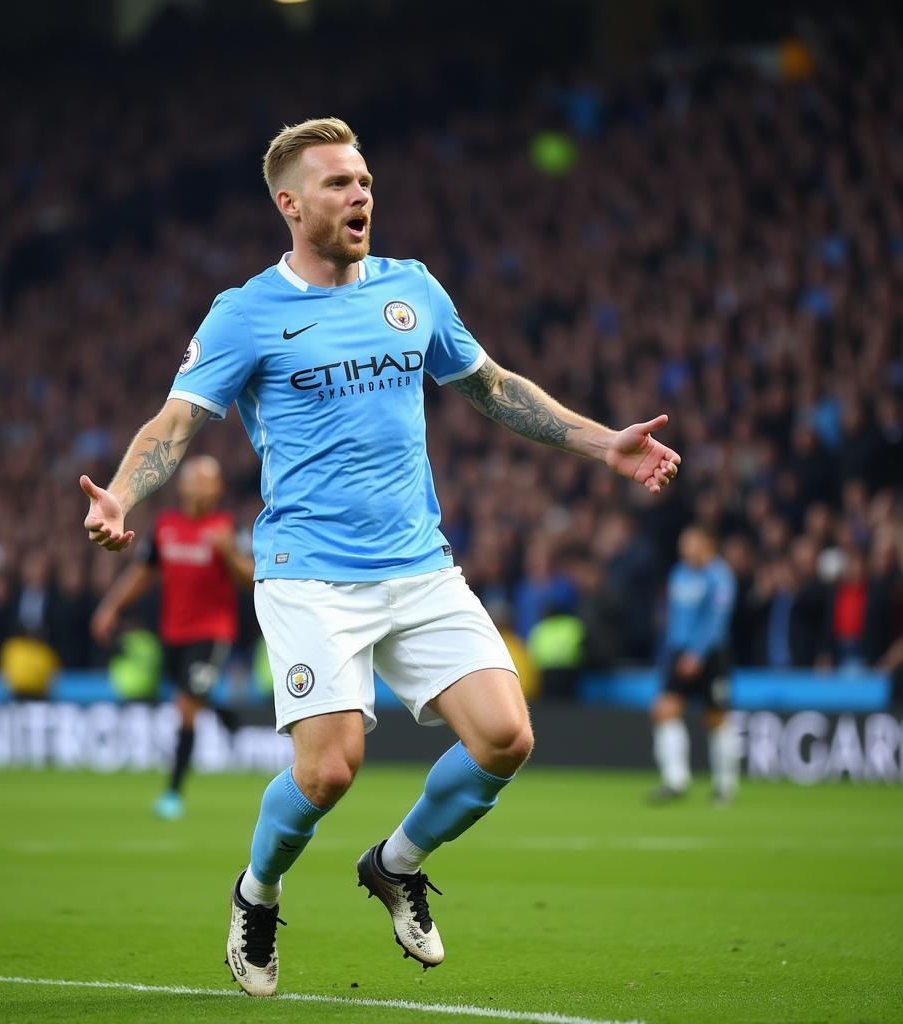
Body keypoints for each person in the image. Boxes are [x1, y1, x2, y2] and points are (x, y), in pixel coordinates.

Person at [80, 117, 681, 996]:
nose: (360, 195)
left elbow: (494, 387)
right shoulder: (246, 313)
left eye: (363, 180)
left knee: (508, 736)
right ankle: (257, 892)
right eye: (337, 184)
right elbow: (176, 425)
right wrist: (124, 495)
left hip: (418, 564)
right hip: (308, 572)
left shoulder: (413, 290)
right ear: (289, 204)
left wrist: (603, 445)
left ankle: (396, 865)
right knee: (328, 769)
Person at [90, 455, 254, 819]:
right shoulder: (165, 526)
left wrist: (228, 553)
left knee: (186, 707)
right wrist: (110, 608)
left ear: (218, 489)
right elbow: (143, 573)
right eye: (193, 480)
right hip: (173, 632)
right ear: (182, 486)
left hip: (212, 633)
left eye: (206, 481)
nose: (198, 487)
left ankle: (173, 794)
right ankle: (226, 715)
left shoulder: (228, 528)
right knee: (190, 696)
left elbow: (252, 577)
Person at [650, 524, 738, 805]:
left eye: (690, 543)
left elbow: (717, 620)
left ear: (707, 545)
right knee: (664, 711)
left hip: (711, 656)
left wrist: (697, 654)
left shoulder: (720, 577)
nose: (684, 549)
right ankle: (676, 781)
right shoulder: (678, 573)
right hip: (679, 653)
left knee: (716, 718)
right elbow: (674, 620)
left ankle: (725, 785)